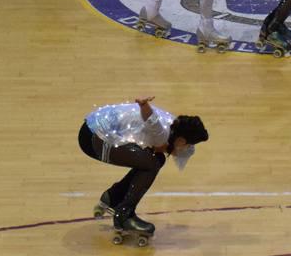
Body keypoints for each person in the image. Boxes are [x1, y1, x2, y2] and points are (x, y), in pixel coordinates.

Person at [79, 95, 209, 244]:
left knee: (156, 159)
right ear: (181, 141)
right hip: (94, 138)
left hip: (94, 129)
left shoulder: (173, 126)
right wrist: (144, 104)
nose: (187, 149)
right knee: (152, 163)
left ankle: (114, 197)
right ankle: (124, 216)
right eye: (187, 146)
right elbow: (151, 119)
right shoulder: (162, 134)